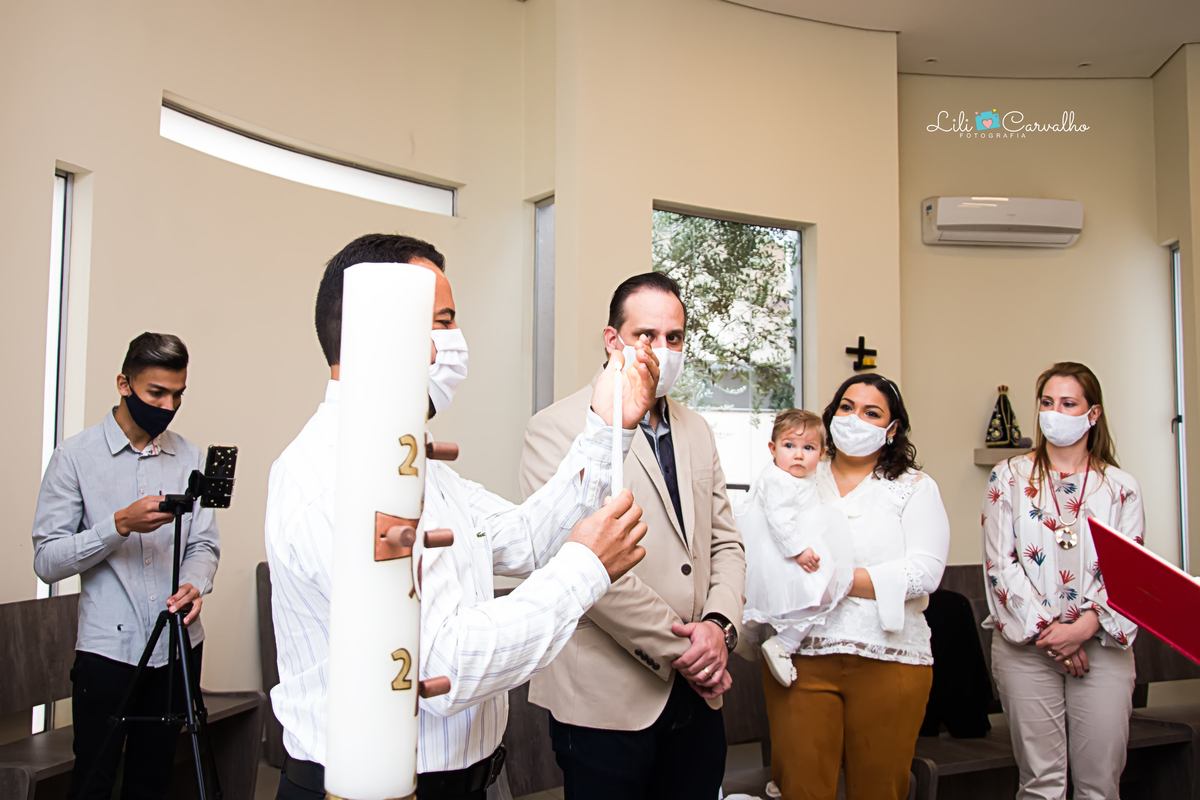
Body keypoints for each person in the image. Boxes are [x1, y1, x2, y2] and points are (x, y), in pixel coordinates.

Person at [265, 234, 656, 800]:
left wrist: (605, 424)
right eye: (443, 322)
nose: (453, 344)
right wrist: (586, 569)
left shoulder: (414, 460)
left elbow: (524, 538)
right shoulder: (333, 475)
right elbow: (443, 666)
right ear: (377, 325)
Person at [519, 272, 745, 800]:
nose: (662, 349)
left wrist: (719, 627)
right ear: (611, 339)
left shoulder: (696, 429)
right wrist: (688, 650)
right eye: (646, 335)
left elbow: (725, 542)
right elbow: (576, 558)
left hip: (698, 694)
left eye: (674, 337)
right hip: (608, 699)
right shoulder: (555, 427)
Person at [32, 332, 220, 800]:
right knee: (92, 781)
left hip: (177, 649)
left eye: (177, 394)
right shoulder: (74, 458)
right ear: (124, 384)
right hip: (107, 653)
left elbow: (204, 544)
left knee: (153, 781)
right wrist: (117, 525)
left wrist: (195, 584)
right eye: (157, 393)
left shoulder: (191, 456)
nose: (168, 406)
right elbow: (47, 561)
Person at [759, 373, 949, 800]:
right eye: (846, 407)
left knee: (880, 789)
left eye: (871, 412)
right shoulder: (797, 475)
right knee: (801, 788)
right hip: (800, 659)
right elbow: (763, 549)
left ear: (892, 428)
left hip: (889, 659)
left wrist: (835, 580)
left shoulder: (914, 488)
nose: (854, 418)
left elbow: (924, 573)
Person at [982, 362, 1142, 800]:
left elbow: (1128, 573)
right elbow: (1000, 564)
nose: (1055, 413)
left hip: (1101, 646)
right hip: (1027, 647)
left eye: (1068, 404)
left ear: (1093, 414)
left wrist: (1082, 628)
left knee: (1100, 786)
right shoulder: (1009, 476)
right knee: (1041, 783)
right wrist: (1053, 634)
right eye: (1048, 403)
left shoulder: (1120, 487)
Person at [740, 409, 854, 688]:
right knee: (819, 592)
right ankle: (783, 644)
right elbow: (779, 520)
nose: (799, 455)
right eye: (789, 446)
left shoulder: (800, 477)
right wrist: (799, 550)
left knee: (784, 599)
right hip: (781, 550)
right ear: (773, 449)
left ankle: (750, 635)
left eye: (809, 448)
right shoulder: (778, 479)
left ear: (822, 453)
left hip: (786, 547)